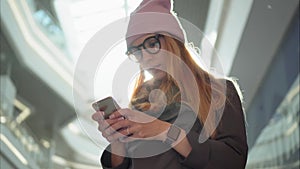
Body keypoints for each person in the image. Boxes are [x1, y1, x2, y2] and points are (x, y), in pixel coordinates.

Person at [92, 0, 248, 168]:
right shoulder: (141, 104)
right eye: (136, 52)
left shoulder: (218, 92)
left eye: (152, 44)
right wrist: (118, 140)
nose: (146, 58)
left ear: (174, 41)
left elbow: (233, 161)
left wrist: (163, 131)